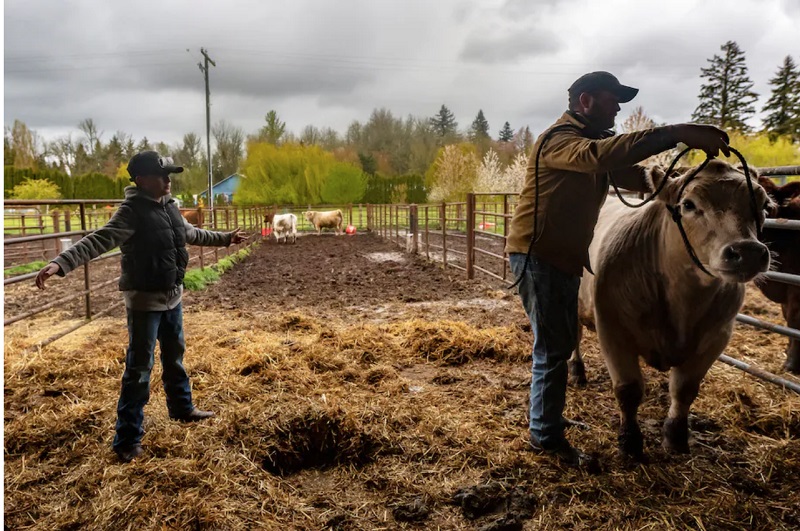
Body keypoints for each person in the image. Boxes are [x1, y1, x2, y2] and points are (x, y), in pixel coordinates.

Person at [505, 71, 730, 469]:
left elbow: (638, 176)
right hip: (539, 255)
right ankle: (545, 437)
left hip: (560, 256)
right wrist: (677, 133)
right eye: (613, 99)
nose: (618, 108)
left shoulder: (588, 146)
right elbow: (601, 157)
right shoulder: (560, 141)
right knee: (553, 349)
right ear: (586, 101)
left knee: (560, 343)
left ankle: (548, 419)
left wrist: (687, 184)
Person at [35, 150, 249, 463]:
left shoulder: (171, 206)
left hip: (172, 296)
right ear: (142, 180)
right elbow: (99, 239)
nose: (167, 180)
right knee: (139, 368)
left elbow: (191, 233)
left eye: (168, 175)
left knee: (175, 355)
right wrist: (61, 262)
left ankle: (181, 408)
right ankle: (127, 439)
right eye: (161, 175)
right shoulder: (131, 211)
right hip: (145, 301)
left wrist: (225, 238)